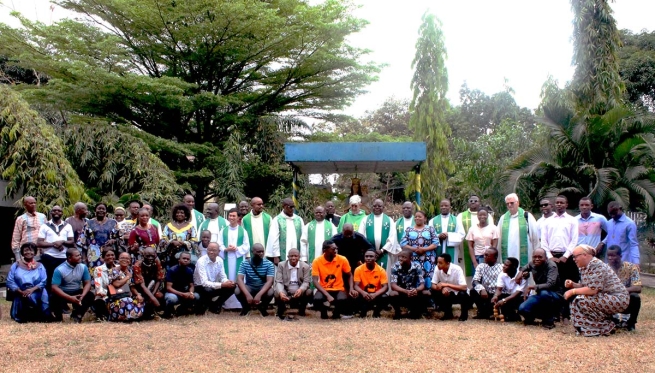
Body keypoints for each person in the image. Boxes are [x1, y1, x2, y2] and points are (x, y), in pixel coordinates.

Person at [564, 244, 629, 337]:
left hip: (617, 299)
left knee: (581, 300)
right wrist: (573, 284)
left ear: (585, 255)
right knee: (580, 300)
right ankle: (590, 328)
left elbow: (592, 290)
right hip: (604, 297)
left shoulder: (595, 264)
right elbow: (585, 286)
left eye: (575, 256)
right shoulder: (584, 267)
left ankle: (606, 326)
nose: (573, 259)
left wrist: (572, 291)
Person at [541, 195, 579, 323]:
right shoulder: (547, 221)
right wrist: (550, 257)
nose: (559, 205)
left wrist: (565, 256)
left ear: (566, 204)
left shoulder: (572, 220)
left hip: (567, 258)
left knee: (567, 285)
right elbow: (544, 241)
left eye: (562, 203)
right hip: (551, 257)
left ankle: (567, 314)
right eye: (557, 202)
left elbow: (574, 240)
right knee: (554, 286)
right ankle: (555, 314)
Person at [517, 248, 561, 329]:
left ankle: (549, 321)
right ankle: (532, 317)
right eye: (534, 257)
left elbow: (550, 284)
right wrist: (520, 273)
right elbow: (525, 267)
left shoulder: (552, 266)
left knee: (544, 293)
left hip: (554, 295)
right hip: (541, 294)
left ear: (546, 258)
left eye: (540, 257)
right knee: (522, 309)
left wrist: (532, 287)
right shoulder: (532, 264)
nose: (537, 259)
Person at [312, 240, 357, 319]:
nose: (335, 251)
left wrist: (351, 288)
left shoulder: (342, 259)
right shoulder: (317, 261)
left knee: (342, 299)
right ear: (325, 250)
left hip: (339, 288)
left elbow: (350, 275)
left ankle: (336, 313)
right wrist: (327, 295)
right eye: (333, 249)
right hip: (324, 289)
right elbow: (315, 281)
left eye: (336, 248)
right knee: (317, 299)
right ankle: (323, 311)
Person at [6, 243, 50, 323]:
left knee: (35, 296)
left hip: (37, 291)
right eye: (26, 250)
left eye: (31, 250)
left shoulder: (40, 265)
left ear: (35, 252)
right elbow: (10, 281)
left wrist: (32, 290)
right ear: (22, 252)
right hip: (20, 292)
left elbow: (44, 281)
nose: (28, 252)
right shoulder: (15, 265)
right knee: (26, 298)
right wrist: (20, 291)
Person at [36, 205, 74, 295]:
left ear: (62, 213)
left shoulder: (67, 226)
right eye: (54, 210)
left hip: (64, 258)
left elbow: (71, 241)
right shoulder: (45, 226)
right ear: (51, 213)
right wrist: (54, 244)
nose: (57, 212)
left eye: (59, 211)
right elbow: (39, 243)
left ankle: (62, 303)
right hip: (49, 257)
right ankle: (49, 303)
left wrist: (62, 241)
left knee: (63, 281)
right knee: (49, 280)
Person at [50, 248, 95, 323]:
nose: (80, 257)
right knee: (53, 296)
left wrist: (82, 296)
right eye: (77, 256)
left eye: (80, 255)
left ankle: (77, 316)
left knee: (90, 295)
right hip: (63, 293)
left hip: (76, 291)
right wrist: (70, 298)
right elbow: (54, 287)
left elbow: (87, 283)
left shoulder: (83, 267)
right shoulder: (59, 269)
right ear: (69, 258)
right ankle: (58, 318)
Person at [218, 208, 250, 309]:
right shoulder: (223, 231)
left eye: (233, 216)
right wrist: (225, 249)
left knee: (238, 280)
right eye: (230, 216)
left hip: (238, 258)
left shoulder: (243, 231)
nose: (231, 218)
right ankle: (227, 304)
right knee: (228, 279)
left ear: (238, 218)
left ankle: (239, 304)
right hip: (226, 258)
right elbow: (219, 244)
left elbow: (247, 246)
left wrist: (237, 249)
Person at [496, 193, 539, 267]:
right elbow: (498, 237)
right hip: (508, 252)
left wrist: (537, 254)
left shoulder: (527, 216)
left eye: (512, 203)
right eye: (507, 204)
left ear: (518, 203)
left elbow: (535, 236)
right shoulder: (503, 218)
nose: (509, 205)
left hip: (523, 254)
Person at [193, 243, 236, 314]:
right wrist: (222, 285)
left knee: (232, 287)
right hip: (200, 286)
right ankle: (207, 305)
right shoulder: (201, 261)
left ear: (219, 251)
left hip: (213, 285)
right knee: (208, 290)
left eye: (214, 250)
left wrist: (228, 282)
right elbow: (204, 283)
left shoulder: (220, 260)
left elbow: (222, 277)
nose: (211, 252)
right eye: (209, 250)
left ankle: (216, 305)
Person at [606, 245, 641, 331]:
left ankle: (631, 323)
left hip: (626, 299)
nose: (610, 258)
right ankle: (612, 320)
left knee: (635, 297)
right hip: (609, 300)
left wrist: (620, 290)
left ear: (620, 256)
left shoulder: (631, 267)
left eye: (613, 255)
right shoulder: (605, 269)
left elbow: (638, 287)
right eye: (608, 256)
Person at [358, 199, 400, 271]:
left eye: (379, 206)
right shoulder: (365, 219)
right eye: (375, 206)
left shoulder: (389, 220)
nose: (377, 207)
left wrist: (382, 250)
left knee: (384, 275)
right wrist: (371, 250)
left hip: (384, 253)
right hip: (369, 254)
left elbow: (392, 237)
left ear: (383, 207)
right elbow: (361, 237)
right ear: (372, 207)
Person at [400, 210, 439, 288]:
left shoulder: (430, 229)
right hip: (414, 258)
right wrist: (415, 249)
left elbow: (435, 243)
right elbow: (403, 244)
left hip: (428, 259)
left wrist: (424, 249)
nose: (417, 218)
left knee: (428, 276)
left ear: (425, 219)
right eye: (416, 217)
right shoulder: (409, 229)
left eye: (420, 217)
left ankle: (429, 295)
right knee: (415, 276)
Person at [458, 194, 494, 276]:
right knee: (467, 273)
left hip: (485, 251)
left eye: (475, 201)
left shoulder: (488, 217)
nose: (473, 202)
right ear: (468, 203)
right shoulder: (461, 216)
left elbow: (491, 234)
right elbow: (459, 234)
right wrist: (459, 253)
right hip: (465, 250)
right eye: (471, 201)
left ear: (480, 203)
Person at [235, 243, 275, 316]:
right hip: (250, 287)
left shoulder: (269, 264)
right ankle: (246, 308)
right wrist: (247, 294)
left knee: (271, 292)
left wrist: (259, 294)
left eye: (262, 251)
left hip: (262, 287)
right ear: (252, 252)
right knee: (237, 291)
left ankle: (262, 308)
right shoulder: (245, 263)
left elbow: (270, 281)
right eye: (258, 252)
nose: (261, 253)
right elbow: (239, 279)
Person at [597, 201, 639, 266]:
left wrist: (636, 262)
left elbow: (633, 244)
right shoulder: (609, 223)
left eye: (614, 213)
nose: (613, 216)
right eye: (610, 214)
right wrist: (603, 242)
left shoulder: (629, 224)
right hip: (609, 261)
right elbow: (611, 235)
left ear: (620, 208)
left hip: (623, 261)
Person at [274, 248, 312, 320]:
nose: (293, 258)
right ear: (288, 257)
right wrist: (281, 292)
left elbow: (306, 282)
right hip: (286, 290)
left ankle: (302, 309)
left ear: (299, 257)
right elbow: (278, 281)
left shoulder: (305, 266)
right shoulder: (281, 265)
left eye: (295, 256)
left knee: (309, 292)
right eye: (291, 256)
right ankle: (281, 309)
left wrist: (301, 289)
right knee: (277, 292)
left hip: (299, 290)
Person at [389, 249, 426, 320]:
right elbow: (393, 285)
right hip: (401, 293)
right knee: (393, 294)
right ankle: (398, 312)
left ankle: (416, 311)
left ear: (411, 258)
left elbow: (422, 284)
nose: (400, 259)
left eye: (404, 257)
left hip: (413, 293)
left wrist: (416, 290)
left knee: (426, 293)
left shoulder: (417, 266)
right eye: (399, 257)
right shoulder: (395, 266)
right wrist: (405, 291)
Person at [107, 252, 145, 321]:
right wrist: (127, 277)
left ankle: (130, 316)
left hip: (128, 296)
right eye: (122, 258)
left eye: (127, 258)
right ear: (118, 259)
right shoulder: (113, 271)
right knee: (126, 301)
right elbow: (116, 284)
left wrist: (138, 294)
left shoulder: (130, 270)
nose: (125, 260)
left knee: (140, 301)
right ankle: (126, 316)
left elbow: (131, 286)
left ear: (130, 261)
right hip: (117, 299)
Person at [431, 253, 470, 321]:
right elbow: (433, 285)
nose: (438, 265)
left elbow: (464, 287)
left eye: (440, 263)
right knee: (434, 291)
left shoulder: (457, 269)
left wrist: (447, 285)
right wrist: (441, 288)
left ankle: (464, 315)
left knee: (463, 294)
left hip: (457, 294)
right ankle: (447, 313)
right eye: (437, 262)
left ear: (448, 263)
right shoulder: (437, 269)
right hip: (446, 293)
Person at [266, 198, 304, 264]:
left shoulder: (299, 219)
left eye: (293, 207)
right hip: (282, 255)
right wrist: (276, 255)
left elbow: (303, 237)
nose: (292, 209)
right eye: (290, 207)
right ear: (284, 207)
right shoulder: (277, 220)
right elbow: (274, 238)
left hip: (296, 251)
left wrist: (303, 256)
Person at [160, 204, 198, 269]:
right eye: (177, 212)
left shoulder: (190, 227)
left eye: (182, 213)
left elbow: (194, 241)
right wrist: (171, 242)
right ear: (175, 214)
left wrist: (184, 243)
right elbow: (163, 239)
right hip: (170, 255)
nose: (179, 214)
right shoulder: (168, 226)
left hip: (185, 254)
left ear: (186, 215)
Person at [354, 249, 389, 318]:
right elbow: (356, 286)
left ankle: (376, 312)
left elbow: (385, 287)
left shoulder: (381, 270)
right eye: (366, 256)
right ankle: (362, 311)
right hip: (363, 294)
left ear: (375, 258)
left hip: (376, 294)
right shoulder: (358, 269)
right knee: (355, 295)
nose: (368, 258)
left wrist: (375, 294)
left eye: (371, 256)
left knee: (385, 296)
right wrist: (363, 293)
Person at [428, 199, 465, 264]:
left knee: (451, 268)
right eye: (442, 206)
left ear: (450, 207)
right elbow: (428, 234)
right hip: (437, 249)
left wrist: (448, 235)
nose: (443, 207)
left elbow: (461, 234)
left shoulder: (456, 220)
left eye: (446, 205)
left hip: (452, 249)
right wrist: (438, 236)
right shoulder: (433, 220)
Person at [469, 248, 503, 319]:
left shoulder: (502, 267)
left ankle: (491, 312)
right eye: (484, 255)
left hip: (497, 295)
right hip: (485, 294)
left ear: (495, 257)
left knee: (491, 311)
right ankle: (481, 312)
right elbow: (475, 281)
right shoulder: (481, 266)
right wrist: (481, 289)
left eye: (487, 255)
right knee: (472, 291)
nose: (484, 256)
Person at [163, 252, 199, 318]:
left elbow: (191, 285)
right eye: (184, 258)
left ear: (190, 261)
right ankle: (169, 312)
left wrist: (191, 293)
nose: (186, 260)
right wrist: (182, 294)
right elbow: (168, 288)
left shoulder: (190, 271)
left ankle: (181, 309)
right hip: (173, 293)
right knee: (171, 298)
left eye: (188, 259)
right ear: (179, 260)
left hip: (185, 293)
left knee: (196, 296)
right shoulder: (172, 270)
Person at [132, 247, 165, 319]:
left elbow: (159, 279)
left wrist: (152, 295)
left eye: (152, 256)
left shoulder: (157, 262)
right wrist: (152, 298)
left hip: (152, 288)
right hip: (140, 289)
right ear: (143, 255)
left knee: (159, 295)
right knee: (142, 300)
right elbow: (141, 284)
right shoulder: (137, 265)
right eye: (148, 256)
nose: (150, 258)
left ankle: (157, 311)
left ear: (155, 255)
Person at [11, 196, 46, 261]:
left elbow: (47, 234)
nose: (33, 205)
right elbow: (16, 238)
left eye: (35, 203)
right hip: (27, 254)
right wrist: (18, 258)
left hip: (41, 253)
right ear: (25, 205)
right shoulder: (20, 219)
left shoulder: (42, 217)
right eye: (31, 203)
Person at [84, 203, 119, 269]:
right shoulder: (89, 223)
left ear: (106, 211)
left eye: (103, 209)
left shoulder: (113, 222)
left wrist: (113, 240)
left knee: (109, 271)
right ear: (95, 210)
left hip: (109, 252)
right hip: (93, 253)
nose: (101, 210)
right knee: (94, 271)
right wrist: (84, 256)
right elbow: (84, 239)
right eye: (99, 208)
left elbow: (119, 237)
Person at [491, 257, 525, 321]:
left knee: (517, 305)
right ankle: (510, 314)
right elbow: (499, 289)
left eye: (506, 265)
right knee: (496, 299)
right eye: (504, 264)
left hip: (521, 297)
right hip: (510, 297)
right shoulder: (502, 274)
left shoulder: (522, 276)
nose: (503, 266)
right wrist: (495, 296)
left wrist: (504, 300)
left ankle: (517, 314)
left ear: (514, 267)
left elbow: (518, 293)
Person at [92, 249, 117, 321]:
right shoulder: (98, 269)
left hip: (118, 294)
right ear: (103, 258)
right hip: (104, 295)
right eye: (108, 255)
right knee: (99, 302)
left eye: (112, 255)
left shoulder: (119, 267)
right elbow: (98, 287)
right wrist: (109, 295)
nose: (110, 257)